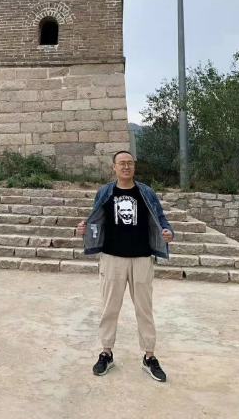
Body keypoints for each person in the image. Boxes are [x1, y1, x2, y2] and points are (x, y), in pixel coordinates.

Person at [77, 150, 174, 382]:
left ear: (134, 166)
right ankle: (106, 353)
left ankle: (149, 356)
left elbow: (160, 217)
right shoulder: (105, 192)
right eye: (122, 163)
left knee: (144, 309)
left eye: (130, 163)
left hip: (142, 258)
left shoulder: (146, 192)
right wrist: (84, 229)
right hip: (112, 258)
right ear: (114, 167)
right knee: (109, 308)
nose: (126, 167)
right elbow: (95, 219)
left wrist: (168, 231)